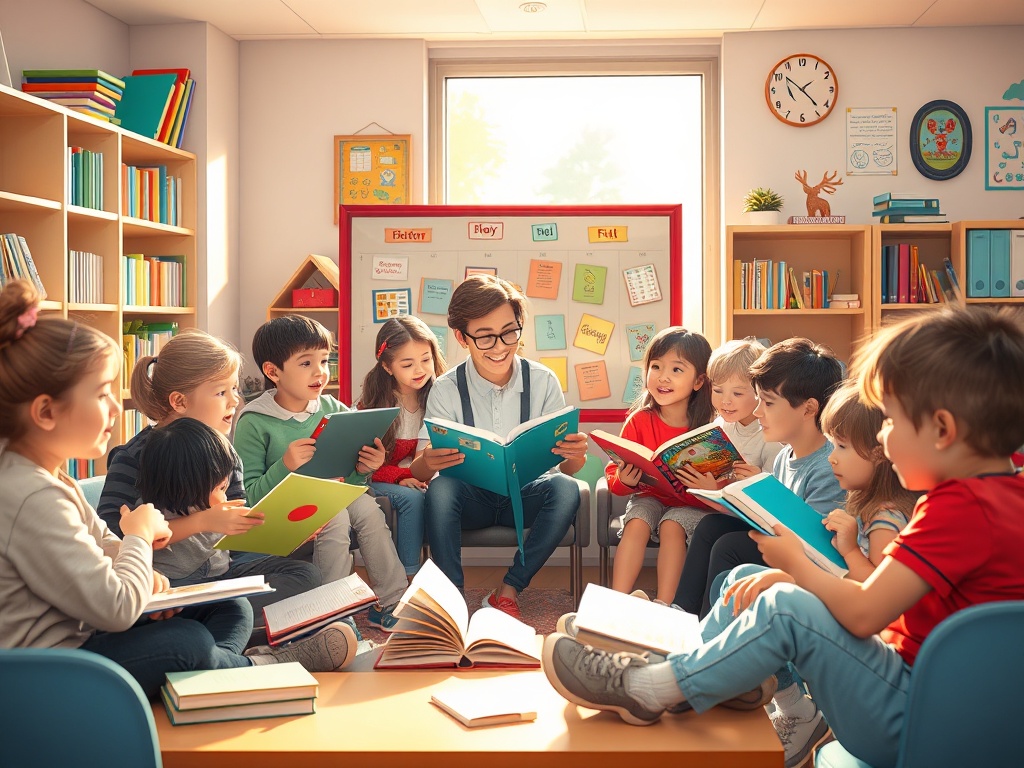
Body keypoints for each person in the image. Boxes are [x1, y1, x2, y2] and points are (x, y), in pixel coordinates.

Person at [542, 305, 1024, 768]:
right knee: (754, 577)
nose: (880, 438)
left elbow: (864, 614)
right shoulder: (1003, 497)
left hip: (915, 720)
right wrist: (787, 573)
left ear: (942, 429)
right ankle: (679, 669)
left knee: (785, 604)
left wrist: (795, 565)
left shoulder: (959, 509)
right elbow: (878, 606)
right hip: (937, 708)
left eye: (892, 420)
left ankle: (649, 687)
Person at [0, 280, 357, 701]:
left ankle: (217, 667)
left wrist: (144, 573)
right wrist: (139, 536)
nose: (117, 408)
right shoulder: (33, 494)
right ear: (45, 412)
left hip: (105, 626)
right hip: (56, 671)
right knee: (186, 642)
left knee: (231, 607)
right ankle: (255, 667)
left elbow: (101, 550)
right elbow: (114, 604)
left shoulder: (50, 478)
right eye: (101, 395)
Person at [720, 380, 920, 763]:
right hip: (862, 623)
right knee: (743, 579)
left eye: (842, 447)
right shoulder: (869, 505)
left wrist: (835, 553)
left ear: (879, 455)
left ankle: (696, 681)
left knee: (761, 594)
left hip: (873, 642)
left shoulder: (885, 518)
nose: (832, 457)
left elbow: (875, 590)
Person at [97, 329, 320, 625]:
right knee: (227, 610)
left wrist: (285, 531)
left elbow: (236, 520)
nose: (234, 402)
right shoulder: (134, 456)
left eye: (234, 389)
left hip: (220, 572)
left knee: (307, 576)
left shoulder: (224, 449)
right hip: (164, 584)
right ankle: (229, 625)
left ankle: (225, 621)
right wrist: (201, 522)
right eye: (221, 392)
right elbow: (114, 540)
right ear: (179, 401)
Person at [410, 275, 589, 620]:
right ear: (462, 337)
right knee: (441, 488)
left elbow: (567, 469)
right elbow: (418, 468)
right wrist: (429, 462)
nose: (500, 345)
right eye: (485, 336)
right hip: (472, 500)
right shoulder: (446, 388)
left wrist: (575, 457)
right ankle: (452, 600)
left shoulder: (542, 380)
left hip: (525, 496)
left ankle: (509, 588)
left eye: (509, 331)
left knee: (569, 489)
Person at [234, 314, 407, 630]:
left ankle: (393, 601)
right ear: (273, 372)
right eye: (305, 363)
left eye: (325, 361)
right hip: (283, 508)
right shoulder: (254, 421)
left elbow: (351, 480)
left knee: (368, 509)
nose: (320, 372)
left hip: (331, 495)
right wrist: (285, 465)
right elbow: (249, 497)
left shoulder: (334, 410)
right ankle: (333, 613)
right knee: (335, 517)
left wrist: (364, 468)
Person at [674, 337, 845, 618]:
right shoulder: (784, 457)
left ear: (809, 409)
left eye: (767, 403)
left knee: (729, 546)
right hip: (781, 544)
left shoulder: (827, 466)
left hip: (808, 567)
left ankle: (708, 631)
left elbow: (818, 550)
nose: (757, 412)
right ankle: (683, 612)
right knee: (711, 527)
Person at [603, 327, 714, 604]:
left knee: (672, 526)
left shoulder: (710, 426)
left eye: (677, 370)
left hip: (691, 504)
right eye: (656, 366)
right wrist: (625, 480)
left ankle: (666, 606)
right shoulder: (639, 420)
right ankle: (617, 602)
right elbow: (614, 477)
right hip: (649, 496)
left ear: (699, 380)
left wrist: (711, 487)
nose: (663, 377)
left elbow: (723, 480)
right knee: (637, 521)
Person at [357, 316, 447, 578]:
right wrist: (403, 477)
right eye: (407, 364)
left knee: (439, 494)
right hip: (377, 478)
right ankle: (406, 577)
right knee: (411, 498)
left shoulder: (440, 397)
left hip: (419, 479)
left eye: (426, 360)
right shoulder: (373, 404)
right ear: (387, 367)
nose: (419, 370)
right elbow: (363, 466)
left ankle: (441, 580)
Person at [676, 337, 783, 491]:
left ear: (761, 392)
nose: (725, 401)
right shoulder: (719, 426)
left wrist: (759, 481)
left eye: (737, 394)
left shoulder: (772, 437)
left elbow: (777, 494)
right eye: (718, 390)